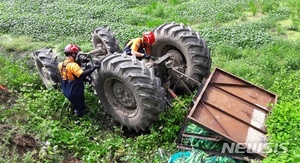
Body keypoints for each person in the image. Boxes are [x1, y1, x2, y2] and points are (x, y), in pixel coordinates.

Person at [58, 43, 98, 117]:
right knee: (80, 106)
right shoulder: (73, 65)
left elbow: (68, 74)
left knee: (74, 103)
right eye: (77, 53)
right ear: (73, 54)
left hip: (66, 87)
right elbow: (82, 74)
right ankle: (79, 118)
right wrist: (93, 68)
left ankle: (74, 110)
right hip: (74, 90)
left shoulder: (61, 64)